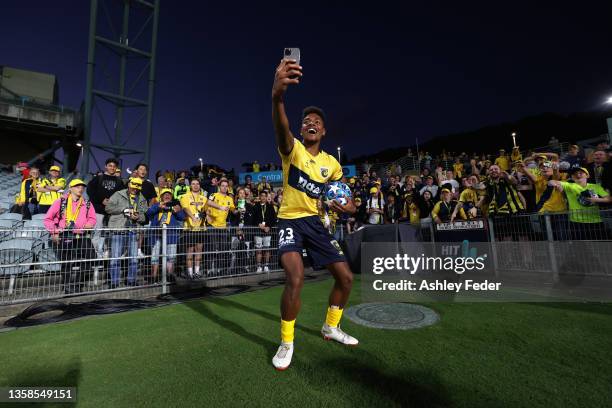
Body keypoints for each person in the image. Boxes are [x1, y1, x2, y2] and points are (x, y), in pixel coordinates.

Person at [271, 58, 358, 370]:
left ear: (324, 130)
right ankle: (286, 341)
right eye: (306, 119)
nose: (311, 122)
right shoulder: (291, 149)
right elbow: (281, 128)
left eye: (317, 121)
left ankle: (330, 326)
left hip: (318, 224)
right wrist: (277, 96)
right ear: (302, 127)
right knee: (296, 277)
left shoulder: (331, 165)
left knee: (346, 278)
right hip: (291, 220)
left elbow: (347, 201)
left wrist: (346, 207)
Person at [44, 179, 97, 293]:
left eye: (82, 187)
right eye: (77, 186)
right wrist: (54, 232)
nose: (80, 189)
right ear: (71, 188)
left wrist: (90, 224)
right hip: (66, 235)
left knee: (92, 258)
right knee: (67, 262)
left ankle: (77, 284)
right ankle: (67, 287)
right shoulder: (60, 201)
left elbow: (92, 218)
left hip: (82, 236)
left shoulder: (87, 203)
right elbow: (48, 219)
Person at [179, 178, 228, 278]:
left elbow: (210, 203)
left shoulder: (203, 197)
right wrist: (192, 217)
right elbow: (185, 208)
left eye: (197, 184)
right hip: (190, 228)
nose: (196, 185)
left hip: (201, 228)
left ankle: (196, 272)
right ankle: (190, 272)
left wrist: (220, 207)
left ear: (200, 186)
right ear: (190, 186)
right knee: (190, 251)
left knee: (199, 251)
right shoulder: (185, 196)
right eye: (193, 184)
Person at [105, 177, 149, 288]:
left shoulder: (142, 198)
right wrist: (123, 209)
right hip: (119, 229)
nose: (135, 189)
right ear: (129, 184)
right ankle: (114, 282)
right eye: (133, 186)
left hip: (133, 230)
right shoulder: (118, 194)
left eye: (137, 187)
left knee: (133, 258)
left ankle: (131, 280)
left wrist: (138, 216)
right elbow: (108, 208)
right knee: (115, 257)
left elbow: (145, 216)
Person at [549, 168, 611, 240]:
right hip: (576, 223)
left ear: (587, 176)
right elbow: (552, 181)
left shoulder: (595, 186)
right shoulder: (569, 185)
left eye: (581, 173)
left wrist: (596, 200)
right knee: (579, 247)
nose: (578, 175)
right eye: (575, 174)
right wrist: (553, 183)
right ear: (572, 177)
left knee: (600, 247)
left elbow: (609, 199)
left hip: (595, 221)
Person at [86, 158, 125, 259]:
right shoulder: (98, 178)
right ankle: (95, 255)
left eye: (114, 166)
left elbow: (122, 195)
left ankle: (108, 254)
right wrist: (101, 200)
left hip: (112, 212)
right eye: (110, 165)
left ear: (116, 168)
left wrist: (113, 203)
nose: (112, 168)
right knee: (96, 232)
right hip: (98, 210)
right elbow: (90, 191)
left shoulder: (119, 181)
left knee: (110, 234)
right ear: (106, 166)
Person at [146, 188, 185, 282]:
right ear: (161, 196)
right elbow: (148, 213)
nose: (167, 196)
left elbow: (182, 217)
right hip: (156, 234)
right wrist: (159, 207)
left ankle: (169, 275)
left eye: (169, 195)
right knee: (155, 256)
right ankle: (153, 277)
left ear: (171, 197)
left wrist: (178, 211)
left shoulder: (176, 206)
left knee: (171, 256)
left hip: (171, 235)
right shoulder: (157, 205)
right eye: (165, 194)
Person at [205, 179, 236, 275]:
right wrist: (220, 207)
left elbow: (233, 210)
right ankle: (209, 269)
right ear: (219, 187)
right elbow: (208, 202)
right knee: (212, 249)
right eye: (223, 185)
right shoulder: (214, 195)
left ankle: (219, 269)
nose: (224, 187)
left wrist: (239, 210)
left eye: (226, 186)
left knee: (222, 249)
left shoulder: (229, 199)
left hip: (223, 227)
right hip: (212, 226)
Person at [251, 190, 278, 272]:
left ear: (267, 197)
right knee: (258, 249)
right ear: (259, 197)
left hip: (267, 231)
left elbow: (274, 219)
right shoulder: (255, 206)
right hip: (258, 231)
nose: (263, 197)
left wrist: (269, 226)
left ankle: (266, 265)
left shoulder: (270, 207)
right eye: (261, 196)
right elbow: (252, 219)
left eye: (264, 196)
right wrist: (258, 224)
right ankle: (259, 266)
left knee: (267, 249)